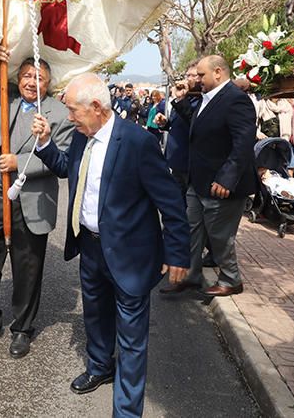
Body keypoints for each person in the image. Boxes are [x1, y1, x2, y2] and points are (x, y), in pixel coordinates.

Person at [31, 73, 190, 417]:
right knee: (96, 315)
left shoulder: (137, 142)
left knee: (132, 339)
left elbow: (171, 202)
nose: (69, 117)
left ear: (96, 107)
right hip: (90, 247)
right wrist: (45, 145)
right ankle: (100, 365)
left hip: (131, 254)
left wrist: (177, 251)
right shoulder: (80, 137)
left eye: (73, 110)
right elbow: (66, 170)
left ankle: (127, 411)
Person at [0, 47, 74, 358]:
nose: (31, 82)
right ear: (17, 77)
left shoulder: (58, 113)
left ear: (48, 83)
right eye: (26, 75)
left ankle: (23, 328)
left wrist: (20, 160)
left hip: (31, 202)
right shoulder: (2, 98)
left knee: (27, 269)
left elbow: (61, 160)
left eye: (39, 77)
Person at [169, 55, 257, 297]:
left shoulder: (236, 100)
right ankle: (190, 276)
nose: (197, 79)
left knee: (219, 234)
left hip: (222, 184)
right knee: (191, 229)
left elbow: (243, 143)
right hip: (198, 182)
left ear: (218, 72)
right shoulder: (208, 99)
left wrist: (227, 178)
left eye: (201, 75)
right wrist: (181, 101)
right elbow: (201, 128)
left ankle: (231, 279)